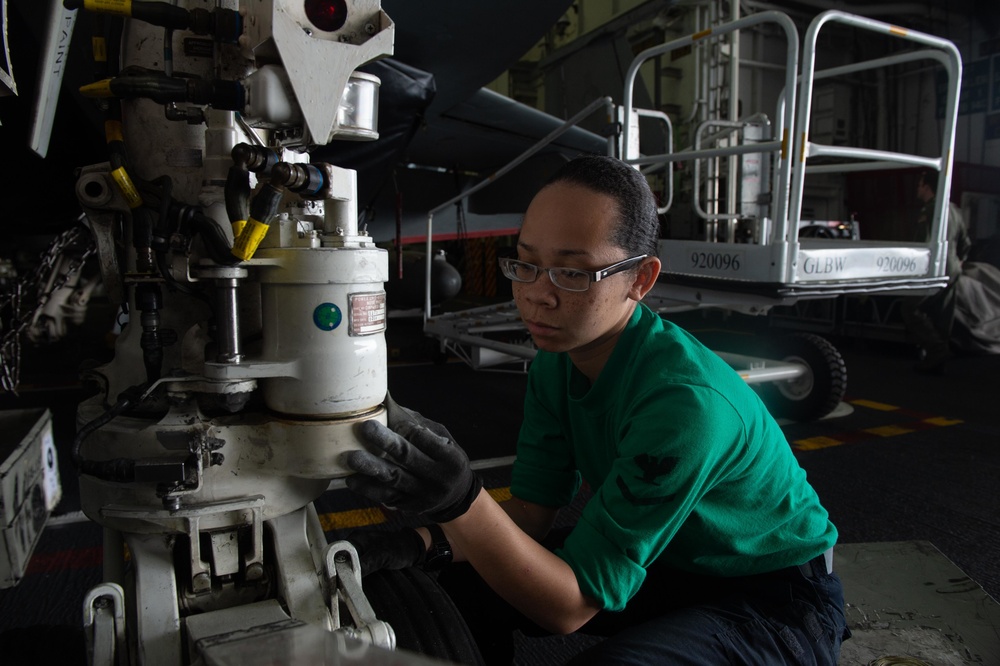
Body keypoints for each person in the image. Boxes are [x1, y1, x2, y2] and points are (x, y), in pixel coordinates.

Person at [342, 154, 849, 665]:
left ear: (640, 280)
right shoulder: (555, 365)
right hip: (674, 558)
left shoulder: (685, 406)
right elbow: (531, 516)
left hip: (775, 594)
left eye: (572, 273)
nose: (537, 296)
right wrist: (421, 543)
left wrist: (457, 501)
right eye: (526, 263)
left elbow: (568, 607)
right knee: (457, 588)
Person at [903, 169, 971, 374]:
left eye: (919, 185)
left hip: (934, 269)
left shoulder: (932, 210)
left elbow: (922, 243)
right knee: (941, 314)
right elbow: (965, 243)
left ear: (927, 187)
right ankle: (936, 362)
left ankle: (936, 349)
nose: (917, 189)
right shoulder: (954, 210)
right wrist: (958, 262)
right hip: (953, 269)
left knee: (910, 308)